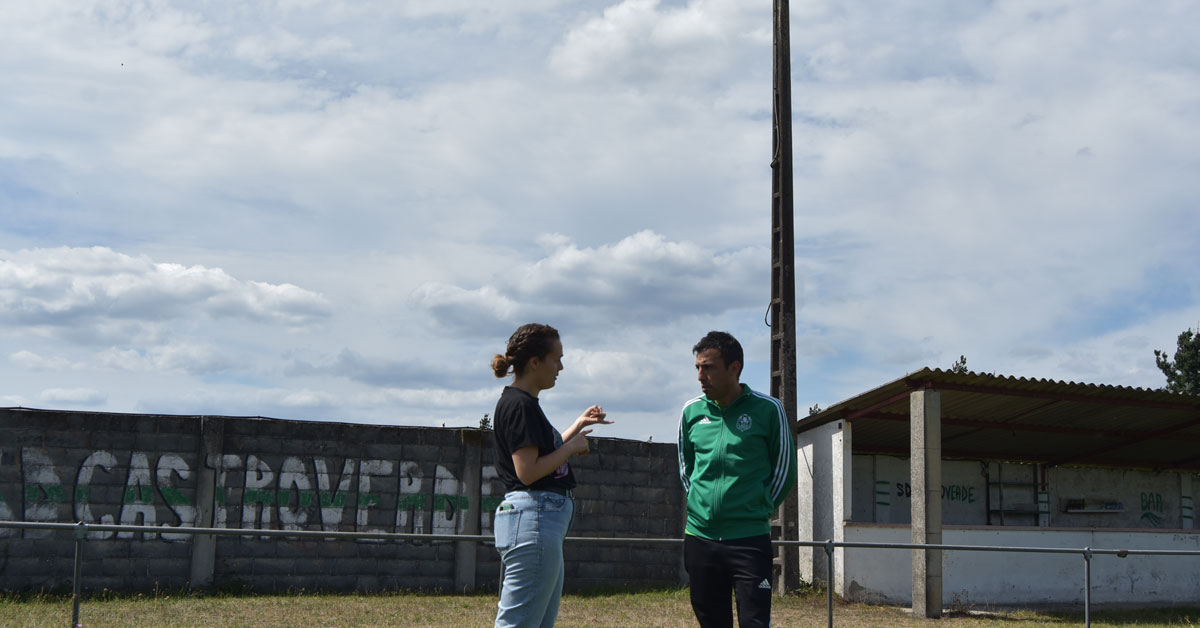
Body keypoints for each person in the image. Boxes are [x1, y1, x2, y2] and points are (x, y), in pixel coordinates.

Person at [490, 323, 612, 628]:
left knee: (537, 622)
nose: (561, 366)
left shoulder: (523, 403)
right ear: (534, 362)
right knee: (518, 623)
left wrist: (577, 426)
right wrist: (571, 447)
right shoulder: (520, 405)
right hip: (534, 518)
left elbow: (543, 455)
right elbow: (528, 472)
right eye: (556, 358)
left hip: (537, 520)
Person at [677, 331, 796, 628]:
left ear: (734, 368)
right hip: (700, 538)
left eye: (709, 367)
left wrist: (758, 507)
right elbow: (686, 468)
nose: (701, 376)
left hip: (748, 540)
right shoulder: (691, 412)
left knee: (754, 622)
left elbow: (784, 470)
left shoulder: (768, 410)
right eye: (698, 368)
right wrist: (699, 506)